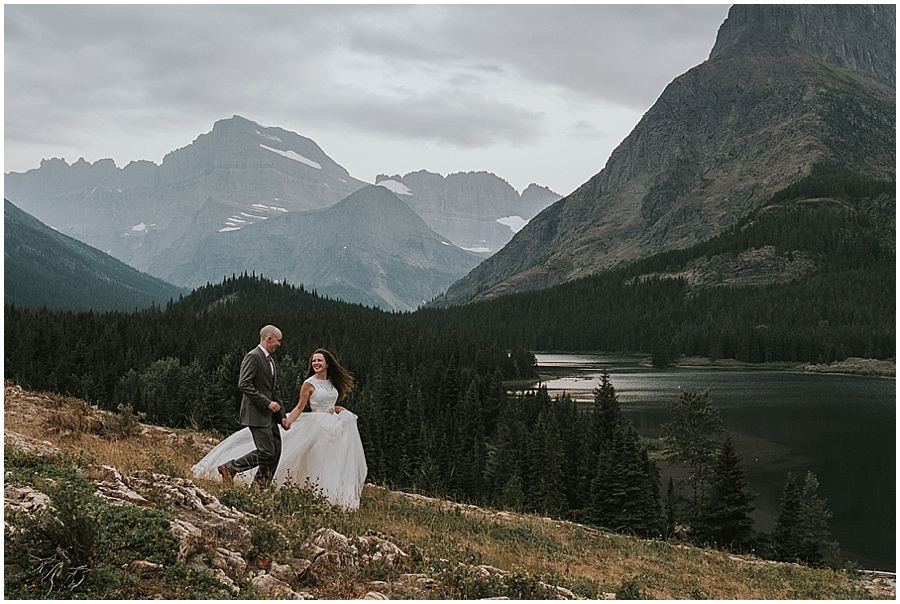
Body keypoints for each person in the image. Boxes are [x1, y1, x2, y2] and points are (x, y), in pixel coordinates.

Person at [193, 347, 368, 509]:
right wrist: (288, 420)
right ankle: (235, 469)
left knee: (330, 460)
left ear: (327, 363)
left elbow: (330, 401)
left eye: (319, 360)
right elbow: (300, 406)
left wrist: (338, 409)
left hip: (332, 423)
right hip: (316, 424)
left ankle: (330, 495)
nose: (315, 363)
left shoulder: (332, 382)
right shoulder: (309, 383)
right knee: (297, 453)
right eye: (313, 361)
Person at [202, 325, 287, 488]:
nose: (279, 344)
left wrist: (282, 416)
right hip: (256, 413)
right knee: (266, 452)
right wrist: (266, 403)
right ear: (268, 339)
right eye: (278, 340)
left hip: (270, 416)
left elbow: (274, 390)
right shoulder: (253, 356)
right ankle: (230, 468)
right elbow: (244, 384)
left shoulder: (270, 360)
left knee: (275, 452)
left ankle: (259, 488)